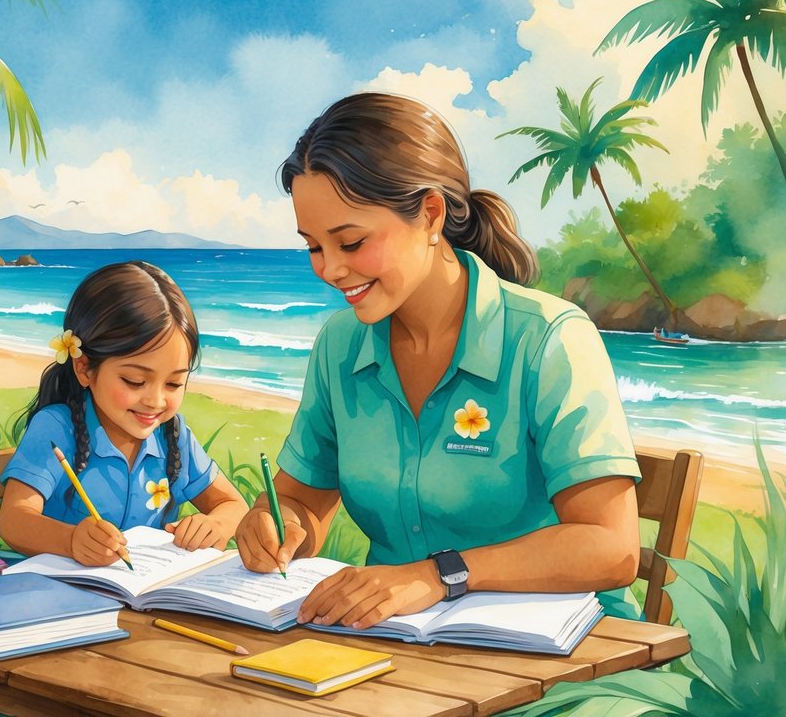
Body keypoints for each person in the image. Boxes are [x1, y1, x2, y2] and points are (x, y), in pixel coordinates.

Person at [235, 92, 643, 628]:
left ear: (430, 215)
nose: (330, 270)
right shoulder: (340, 346)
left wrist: (436, 575)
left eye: (351, 242)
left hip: (561, 650)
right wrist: (275, 523)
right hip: (400, 643)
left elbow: (612, 549)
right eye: (313, 247)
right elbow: (302, 504)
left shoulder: (548, 338)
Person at [0, 261, 248, 566]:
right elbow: (14, 521)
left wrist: (216, 525)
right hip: (60, 592)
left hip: (141, 599)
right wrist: (71, 541)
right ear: (85, 368)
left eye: (173, 383)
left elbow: (233, 504)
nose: (156, 401)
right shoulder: (56, 428)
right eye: (134, 381)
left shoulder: (173, 436)